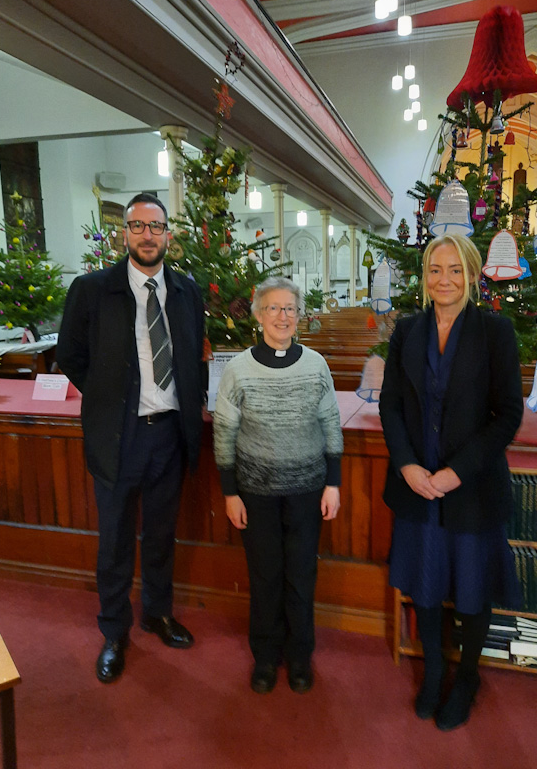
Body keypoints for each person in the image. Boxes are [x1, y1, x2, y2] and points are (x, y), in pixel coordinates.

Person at [57, 192, 205, 683]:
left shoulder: (186, 292)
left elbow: (188, 361)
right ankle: (114, 630)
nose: (147, 234)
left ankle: (158, 613)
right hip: (116, 437)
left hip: (168, 434)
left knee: (161, 534)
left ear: (168, 234)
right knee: (116, 539)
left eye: (156, 226)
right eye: (138, 226)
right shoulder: (91, 289)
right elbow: (71, 356)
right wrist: (107, 400)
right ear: (125, 233)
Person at [379, 233, 523, 731]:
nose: (445, 279)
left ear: (473, 274)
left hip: (472, 485)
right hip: (417, 485)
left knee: (471, 588)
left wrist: (455, 471)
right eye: (436, 270)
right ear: (425, 276)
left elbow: (507, 416)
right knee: (425, 583)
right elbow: (390, 405)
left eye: (456, 270)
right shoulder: (408, 330)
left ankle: (466, 676)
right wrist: (407, 465)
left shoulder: (495, 332)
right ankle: (434, 667)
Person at [213, 277, 343, 694]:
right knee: (265, 577)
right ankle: (266, 657)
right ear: (258, 315)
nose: (282, 316)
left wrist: (333, 483)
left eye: (290, 308)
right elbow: (224, 433)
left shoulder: (316, 364)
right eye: (273, 308)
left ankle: (300, 656)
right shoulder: (238, 369)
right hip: (256, 492)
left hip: (308, 488)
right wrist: (230, 491)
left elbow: (330, 424)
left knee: (302, 576)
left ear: (299, 315)